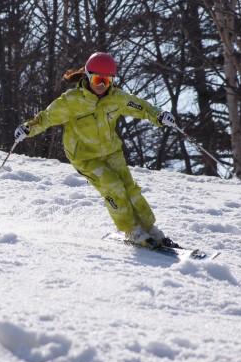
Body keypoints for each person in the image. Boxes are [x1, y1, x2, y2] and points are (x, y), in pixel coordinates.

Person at [13, 52, 178, 249]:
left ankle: (149, 228)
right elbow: (47, 117)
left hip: (111, 151)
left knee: (130, 188)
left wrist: (159, 116)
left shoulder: (117, 98)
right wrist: (28, 128)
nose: (102, 85)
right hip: (85, 156)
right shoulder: (72, 101)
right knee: (113, 186)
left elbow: (142, 108)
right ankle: (131, 230)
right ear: (88, 77)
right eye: (98, 79)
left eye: (107, 81)